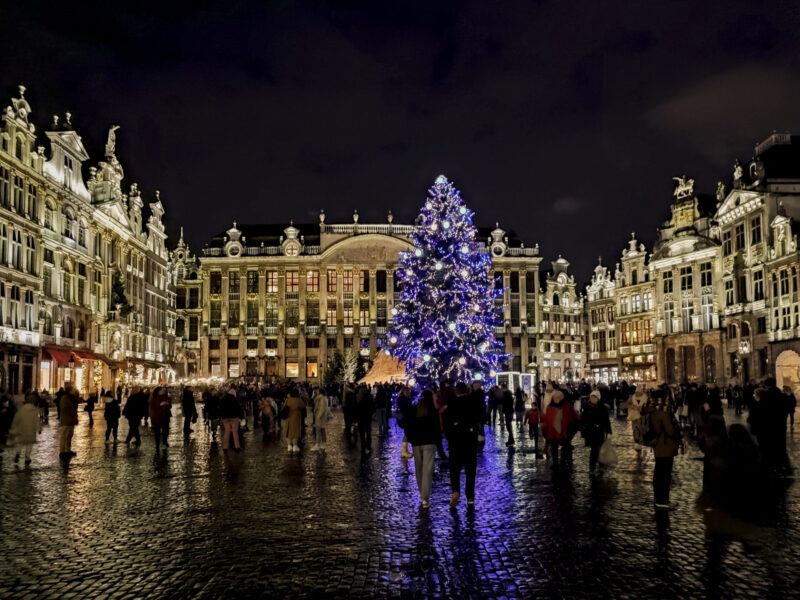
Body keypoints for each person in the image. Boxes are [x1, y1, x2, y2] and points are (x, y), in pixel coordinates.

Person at [442, 381, 486, 507]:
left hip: (455, 441)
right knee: (470, 470)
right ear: (466, 390)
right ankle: (470, 497)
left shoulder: (452, 403)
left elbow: (446, 423)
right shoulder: (472, 401)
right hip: (470, 440)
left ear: (457, 391)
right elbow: (481, 410)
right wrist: (477, 389)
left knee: (454, 469)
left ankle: (456, 490)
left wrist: (449, 436)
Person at [405, 390, 442, 508]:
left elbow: (408, 426)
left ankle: (422, 493)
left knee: (419, 469)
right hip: (429, 443)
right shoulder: (433, 411)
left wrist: (411, 439)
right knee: (427, 470)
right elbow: (437, 428)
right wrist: (438, 442)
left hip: (416, 443)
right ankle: (425, 497)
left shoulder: (413, 410)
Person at [648, 390, 681, 510]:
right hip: (665, 446)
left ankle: (660, 499)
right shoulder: (662, 412)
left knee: (659, 473)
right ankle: (662, 500)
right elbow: (671, 430)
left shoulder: (652, 410)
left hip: (659, 446)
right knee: (664, 474)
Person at [541, 390, 578, 469]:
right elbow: (547, 419)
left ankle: (564, 461)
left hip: (564, 432)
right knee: (554, 448)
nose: (556, 399)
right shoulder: (549, 407)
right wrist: (545, 428)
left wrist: (571, 430)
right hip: (553, 432)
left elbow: (573, 418)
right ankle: (555, 463)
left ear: (562, 398)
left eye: (558, 398)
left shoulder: (567, 406)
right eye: (555, 397)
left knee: (566, 447)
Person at [580, 389, 612, 474]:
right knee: (594, 450)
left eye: (594, 397)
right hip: (590, 432)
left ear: (598, 398)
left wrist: (609, 432)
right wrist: (583, 428)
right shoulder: (586, 407)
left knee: (600, 449)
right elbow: (582, 419)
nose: (592, 399)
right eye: (591, 397)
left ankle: (601, 465)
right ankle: (592, 468)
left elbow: (606, 421)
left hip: (600, 432)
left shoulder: (602, 408)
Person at [9, 394, 40, 465]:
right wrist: (39, 429)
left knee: (21, 443)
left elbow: (17, 419)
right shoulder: (34, 410)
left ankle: (18, 453)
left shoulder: (22, 409)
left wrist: (14, 427)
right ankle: (27, 458)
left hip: (22, 429)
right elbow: (37, 420)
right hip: (31, 430)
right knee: (29, 445)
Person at [220, 387, 244, 452]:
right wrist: (242, 417)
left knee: (227, 432)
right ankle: (237, 447)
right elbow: (238, 408)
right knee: (235, 432)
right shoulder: (234, 399)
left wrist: (222, 417)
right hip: (234, 417)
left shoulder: (223, 399)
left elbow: (220, 408)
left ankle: (225, 447)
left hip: (225, 418)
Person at [59, 383, 79, 458]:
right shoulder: (65, 398)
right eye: (72, 390)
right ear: (69, 391)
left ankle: (67, 450)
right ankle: (63, 451)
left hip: (70, 420)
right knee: (65, 436)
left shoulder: (70, 398)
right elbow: (68, 409)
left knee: (69, 436)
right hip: (66, 420)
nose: (74, 391)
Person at [149, 387, 172, 451]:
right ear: (158, 391)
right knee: (157, 432)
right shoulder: (154, 398)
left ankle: (165, 441)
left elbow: (170, 405)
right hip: (157, 417)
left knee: (166, 431)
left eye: (163, 390)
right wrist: (160, 404)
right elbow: (152, 406)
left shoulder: (166, 397)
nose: (162, 391)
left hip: (165, 416)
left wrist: (168, 404)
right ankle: (157, 444)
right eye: (161, 390)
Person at [396, 386, 415, 459]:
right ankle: (404, 451)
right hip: (406, 418)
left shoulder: (400, 398)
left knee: (407, 433)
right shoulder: (406, 399)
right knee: (407, 433)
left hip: (403, 418)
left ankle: (405, 451)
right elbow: (408, 408)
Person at [356, 385, 375, 455]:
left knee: (362, 433)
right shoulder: (369, 397)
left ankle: (363, 446)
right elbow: (373, 407)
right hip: (367, 417)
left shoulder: (358, 397)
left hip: (361, 418)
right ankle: (368, 446)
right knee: (368, 432)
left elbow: (356, 408)